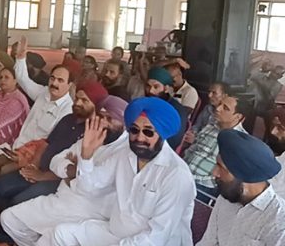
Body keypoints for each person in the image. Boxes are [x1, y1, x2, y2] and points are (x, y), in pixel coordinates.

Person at [47, 97, 195, 246]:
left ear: (162, 135)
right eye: (134, 130)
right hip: (115, 234)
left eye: (148, 132)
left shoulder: (176, 175)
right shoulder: (125, 154)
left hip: (148, 243)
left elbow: (156, 238)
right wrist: (86, 155)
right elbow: (87, 187)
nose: (139, 138)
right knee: (60, 234)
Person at [0, 96, 129, 246]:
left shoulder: (124, 151)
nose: (103, 123)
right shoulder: (92, 134)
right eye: (101, 116)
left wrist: (81, 163)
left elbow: (89, 186)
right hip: (62, 197)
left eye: (110, 119)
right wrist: (74, 170)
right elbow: (56, 161)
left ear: (124, 123)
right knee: (9, 218)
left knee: (49, 238)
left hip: (87, 209)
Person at [0, 37, 73, 198]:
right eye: (52, 78)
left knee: (4, 170)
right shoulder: (43, 94)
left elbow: (48, 144)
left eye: (60, 80)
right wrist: (20, 58)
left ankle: (0, 203)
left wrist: (23, 156)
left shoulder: (67, 111)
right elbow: (22, 79)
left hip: (33, 156)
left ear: (69, 85)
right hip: (16, 146)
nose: (54, 83)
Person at [0, 81, 108, 211]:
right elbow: (45, 144)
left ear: (96, 105)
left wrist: (41, 176)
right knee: (0, 185)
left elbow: (75, 170)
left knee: (18, 201)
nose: (78, 103)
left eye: (85, 100)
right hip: (40, 168)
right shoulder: (68, 119)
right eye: (77, 98)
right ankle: (3, 219)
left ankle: (13, 225)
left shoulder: (94, 132)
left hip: (57, 180)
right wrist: (34, 165)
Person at [197, 130, 285, 246]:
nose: (214, 173)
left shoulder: (279, 223)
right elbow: (208, 242)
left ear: (246, 176)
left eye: (221, 167)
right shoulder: (226, 198)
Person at [183, 96, 247, 201]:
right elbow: (195, 148)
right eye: (220, 104)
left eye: (225, 108)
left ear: (238, 117)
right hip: (183, 172)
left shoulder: (239, 142)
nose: (218, 108)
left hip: (201, 185)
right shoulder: (212, 124)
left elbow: (227, 177)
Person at [145, 67, 189, 149]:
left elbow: (172, 142)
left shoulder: (175, 110)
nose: (150, 91)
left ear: (166, 89)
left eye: (156, 87)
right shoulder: (147, 104)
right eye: (148, 86)